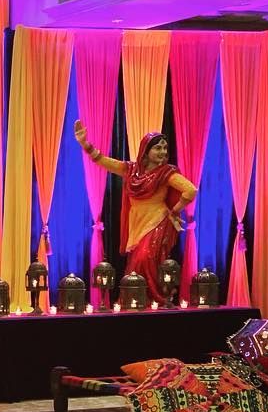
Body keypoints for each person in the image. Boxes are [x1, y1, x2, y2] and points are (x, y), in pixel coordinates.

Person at [75, 121, 196, 301]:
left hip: (158, 221)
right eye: (158, 148)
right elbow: (104, 161)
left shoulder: (167, 173)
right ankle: (136, 301)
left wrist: (174, 210)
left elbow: (191, 190)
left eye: (165, 148)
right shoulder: (131, 170)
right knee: (135, 263)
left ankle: (155, 300)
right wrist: (85, 144)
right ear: (146, 151)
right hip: (138, 224)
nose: (163, 152)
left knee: (146, 258)